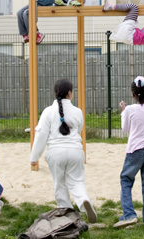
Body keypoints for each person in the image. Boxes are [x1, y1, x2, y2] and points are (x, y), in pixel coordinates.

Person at [30, 79, 97, 223]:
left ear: (55, 93)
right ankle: (84, 200)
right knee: (77, 181)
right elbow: (78, 131)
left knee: (60, 184)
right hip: (75, 151)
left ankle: (67, 213)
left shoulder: (48, 112)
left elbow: (41, 135)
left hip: (55, 152)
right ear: (70, 93)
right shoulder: (78, 112)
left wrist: (34, 156)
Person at [114, 76, 144, 229]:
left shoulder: (129, 110)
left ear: (133, 93)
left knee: (126, 180)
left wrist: (123, 111)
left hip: (135, 150)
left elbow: (125, 129)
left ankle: (129, 214)